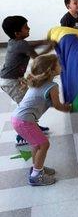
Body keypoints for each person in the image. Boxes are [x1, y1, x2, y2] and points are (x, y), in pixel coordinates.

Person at [11, 54, 72, 186]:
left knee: (36, 144)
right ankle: (36, 176)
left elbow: (46, 102)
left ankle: (37, 169)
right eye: (59, 64)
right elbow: (57, 105)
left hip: (18, 119)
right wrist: (69, 108)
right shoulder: (52, 86)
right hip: (25, 121)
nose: (61, 66)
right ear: (51, 70)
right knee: (44, 144)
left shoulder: (37, 82)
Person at [0, 16, 54, 145]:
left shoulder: (15, 41)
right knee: (26, 105)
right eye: (25, 27)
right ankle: (22, 135)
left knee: (31, 101)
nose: (29, 28)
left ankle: (32, 125)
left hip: (14, 79)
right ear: (17, 33)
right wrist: (50, 47)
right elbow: (38, 59)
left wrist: (45, 41)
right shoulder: (22, 45)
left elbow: (32, 45)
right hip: (11, 82)